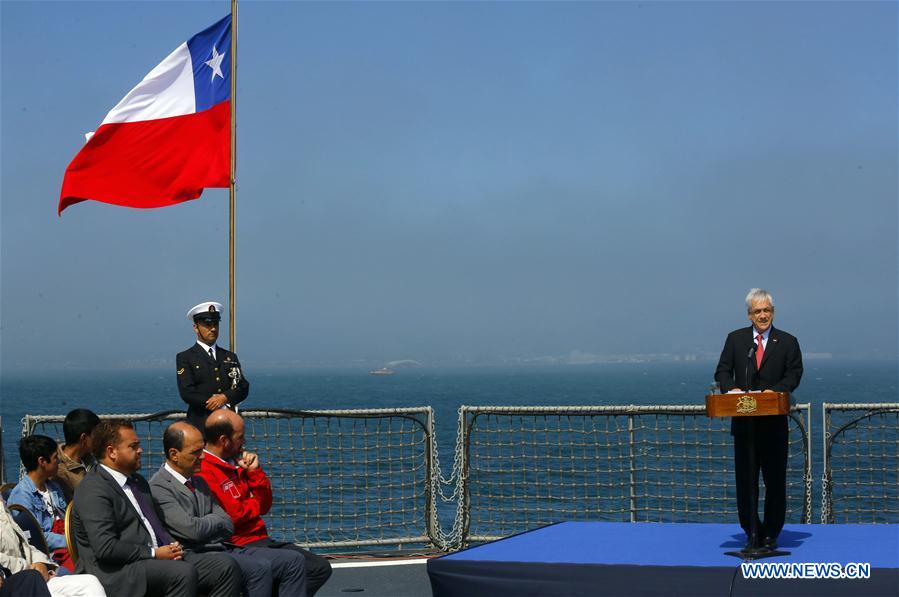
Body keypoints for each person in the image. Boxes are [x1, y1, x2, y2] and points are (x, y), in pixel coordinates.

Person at [72, 419, 243, 597]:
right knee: (182, 573)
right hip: (118, 571)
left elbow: (154, 527)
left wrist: (172, 546)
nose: (140, 450)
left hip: (153, 559)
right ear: (111, 452)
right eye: (133, 446)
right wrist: (154, 553)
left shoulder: (138, 482)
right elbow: (106, 548)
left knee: (225, 567)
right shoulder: (93, 489)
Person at [150, 421, 308, 597]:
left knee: (293, 561)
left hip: (222, 546)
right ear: (174, 454)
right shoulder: (159, 487)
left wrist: (209, 523)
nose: (202, 456)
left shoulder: (199, 481)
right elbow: (192, 530)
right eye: (195, 452)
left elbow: (227, 523)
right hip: (196, 554)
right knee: (258, 569)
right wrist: (213, 521)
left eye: (202, 450)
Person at [198, 410, 332, 596]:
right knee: (300, 565)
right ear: (224, 440)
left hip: (259, 539)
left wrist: (255, 472)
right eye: (240, 437)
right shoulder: (205, 471)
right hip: (239, 543)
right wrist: (254, 504)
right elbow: (234, 516)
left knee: (320, 568)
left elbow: (265, 505)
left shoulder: (236, 464)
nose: (244, 442)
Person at [714, 288, 803, 550]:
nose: (762, 315)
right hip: (744, 425)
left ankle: (770, 534)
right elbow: (722, 371)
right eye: (757, 311)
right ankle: (751, 531)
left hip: (774, 425)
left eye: (767, 310)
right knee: (746, 481)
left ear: (773, 312)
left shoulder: (788, 341)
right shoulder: (736, 340)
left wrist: (774, 392)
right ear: (749, 315)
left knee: (775, 481)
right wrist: (731, 389)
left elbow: (794, 374)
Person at [0, 496, 106, 596]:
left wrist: (41, 562)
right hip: (16, 582)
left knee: (90, 583)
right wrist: (30, 568)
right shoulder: (22, 494)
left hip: (33, 574)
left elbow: (25, 545)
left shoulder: (2, 506)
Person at [176, 302, 249, 430]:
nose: (213, 328)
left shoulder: (229, 357)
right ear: (196, 328)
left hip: (228, 426)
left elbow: (243, 386)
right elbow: (187, 392)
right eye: (208, 324)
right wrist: (215, 403)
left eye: (215, 324)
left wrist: (225, 397)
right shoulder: (186, 358)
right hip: (201, 426)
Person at [8, 435, 74, 572]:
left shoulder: (54, 487)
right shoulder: (21, 496)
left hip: (68, 542)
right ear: (42, 461)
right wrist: (70, 540)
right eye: (56, 457)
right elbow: (34, 537)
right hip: (50, 556)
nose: (59, 461)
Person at [54, 409, 101, 502]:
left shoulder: (91, 460)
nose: (99, 440)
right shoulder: (58, 470)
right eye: (96, 436)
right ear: (83, 438)